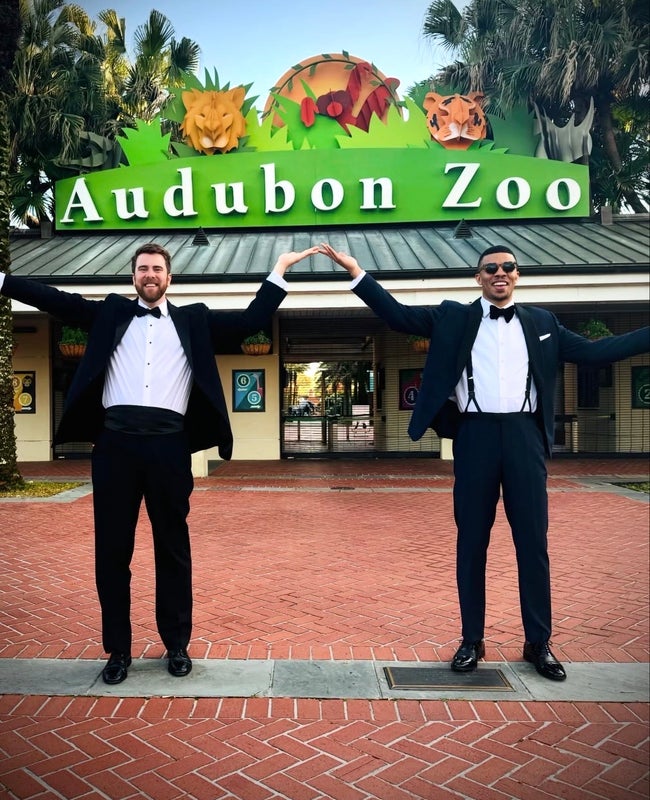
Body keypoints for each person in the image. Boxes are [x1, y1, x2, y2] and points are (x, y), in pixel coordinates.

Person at [318, 241, 650, 681]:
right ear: (479, 277)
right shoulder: (453, 317)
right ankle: (471, 639)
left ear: (517, 275)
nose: (500, 273)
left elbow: (596, 352)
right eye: (490, 268)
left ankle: (538, 642)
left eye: (508, 266)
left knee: (533, 543)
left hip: (525, 437)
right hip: (474, 436)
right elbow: (398, 316)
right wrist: (356, 272)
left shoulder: (543, 323)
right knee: (472, 541)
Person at [0, 242, 319, 684]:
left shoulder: (194, 321)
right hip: (115, 446)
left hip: (169, 447)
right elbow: (55, 299)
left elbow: (250, 321)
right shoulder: (110, 313)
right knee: (112, 551)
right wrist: (3, 281)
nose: (150, 274)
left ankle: (176, 644)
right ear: (133, 276)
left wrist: (280, 269)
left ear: (170, 277)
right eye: (142, 268)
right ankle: (118, 651)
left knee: (173, 549)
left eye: (157, 268)